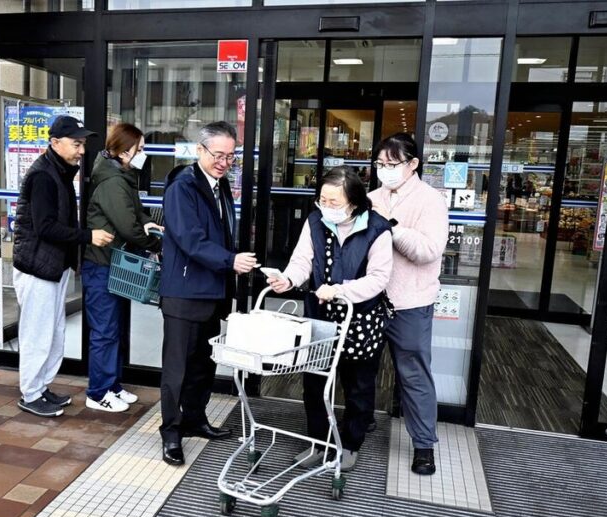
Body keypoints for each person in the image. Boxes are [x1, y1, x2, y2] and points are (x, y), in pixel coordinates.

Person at [267, 166, 393, 472]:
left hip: (360, 316)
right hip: (320, 315)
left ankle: (350, 443)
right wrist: (288, 280)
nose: (326, 207)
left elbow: (378, 279)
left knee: (358, 385)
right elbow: (302, 261)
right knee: (315, 382)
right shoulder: (315, 222)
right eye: (322, 200)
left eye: (334, 202)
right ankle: (317, 442)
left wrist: (338, 290)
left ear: (354, 201)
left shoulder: (377, 229)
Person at [158, 121, 258, 466]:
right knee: (177, 369)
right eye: (219, 155)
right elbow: (190, 239)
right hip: (184, 291)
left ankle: (195, 419)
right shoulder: (182, 187)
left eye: (231, 156)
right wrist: (231, 261)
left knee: (203, 363)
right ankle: (170, 432)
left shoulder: (221, 186)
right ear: (199, 151)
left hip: (213, 290)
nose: (225, 162)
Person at [13, 115, 115, 417]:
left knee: (53, 332)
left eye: (82, 144)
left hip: (52, 267)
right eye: (76, 144)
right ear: (55, 143)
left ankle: (41, 388)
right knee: (38, 334)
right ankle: (30, 394)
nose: (81, 150)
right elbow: (45, 227)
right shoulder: (43, 176)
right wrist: (88, 237)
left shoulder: (60, 172)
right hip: (38, 268)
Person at [368, 132, 449, 475]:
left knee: (414, 375)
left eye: (392, 164)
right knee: (361, 369)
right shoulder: (370, 197)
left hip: (411, 302)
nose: (384, 170)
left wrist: (391, 227)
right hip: (370, 299)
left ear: (413, 164)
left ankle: (423, 445)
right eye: (380, 164)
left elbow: (429, 250)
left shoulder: (431, 200)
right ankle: (359, 423)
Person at [81, 122, 163, 412]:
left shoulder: (120, 175)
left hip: (111, 264)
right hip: (101, 264)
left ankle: (112, 385)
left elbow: (134, 212)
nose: (142, 153)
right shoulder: (114, 181)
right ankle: (98, 392)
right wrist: (154, 245)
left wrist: (146, 221)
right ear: (123, 150)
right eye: (139, 149)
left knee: (113, 329)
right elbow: (126, 225)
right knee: (105, 331)